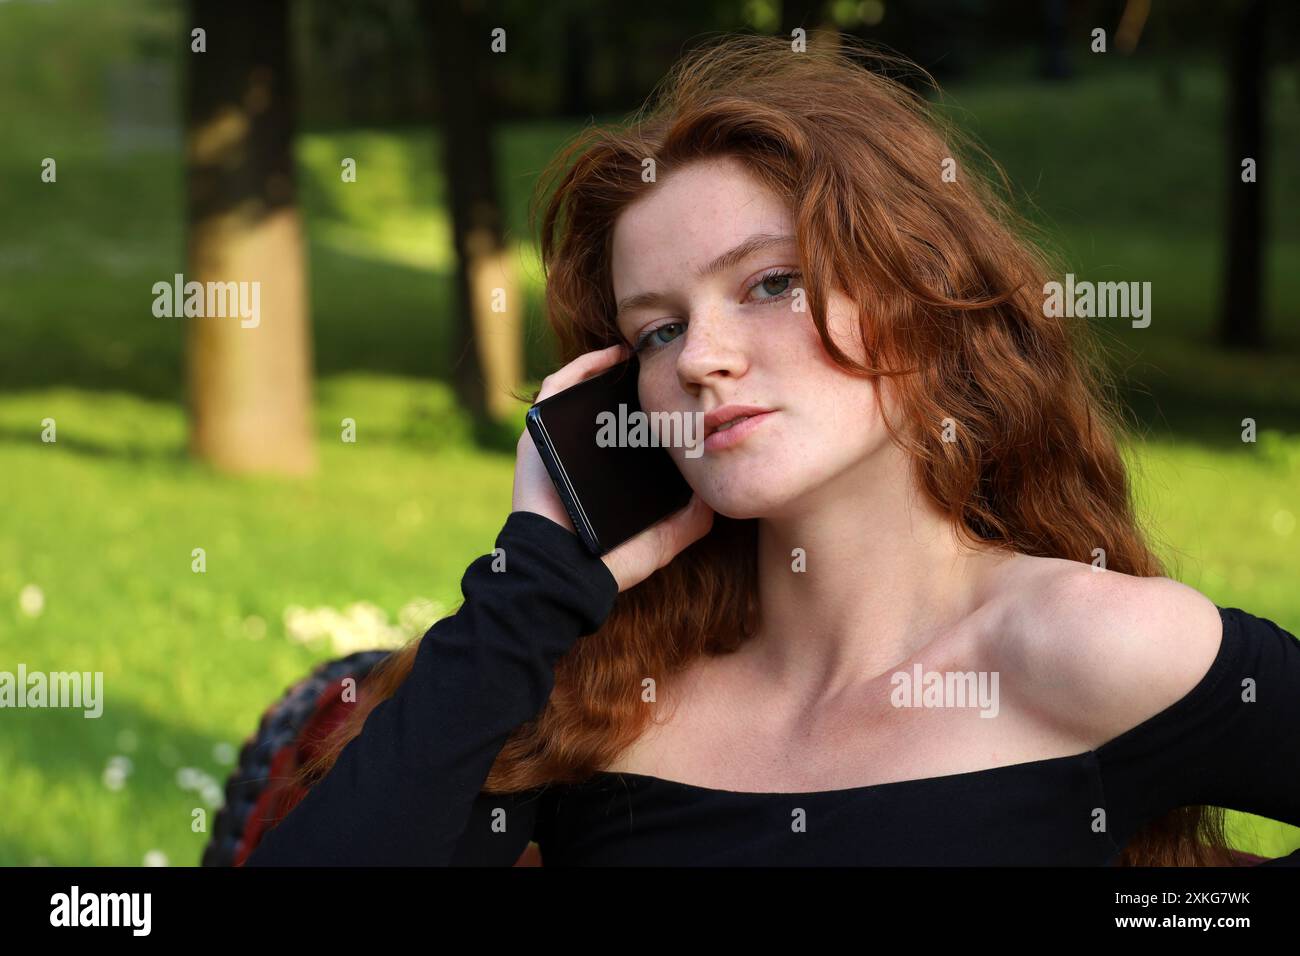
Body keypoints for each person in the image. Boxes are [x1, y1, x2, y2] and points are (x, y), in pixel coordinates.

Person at [243, 34, 1299, 867]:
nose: (701, 357)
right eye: (655, 328)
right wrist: (537, 579)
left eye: (769, 284)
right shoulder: (605, 691)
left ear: (920, 293)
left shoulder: (1088, 645)